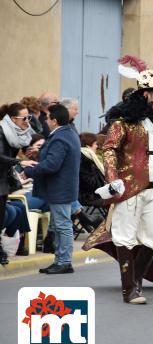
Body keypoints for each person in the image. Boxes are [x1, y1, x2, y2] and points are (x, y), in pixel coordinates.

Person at [83, 60, 153, 304]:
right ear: (146, 94)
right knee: (125, 236)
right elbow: (110, 151)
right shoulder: (122, 123)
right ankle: (130, 289)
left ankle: (135, 280)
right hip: (129, 186)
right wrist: (113, 180)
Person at [23, 104, 80, 274]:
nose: (46, 120)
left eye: (48, 118)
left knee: (63, 225)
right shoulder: (68, 133)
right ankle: (61, 260)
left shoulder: (60, 138)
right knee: (61, 225)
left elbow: (52, 165)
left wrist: (29, 171)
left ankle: (64, 261)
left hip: (59, 189)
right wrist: (38, 155)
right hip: (64, 187)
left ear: (54, 121)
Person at [0, 103, 37, 264]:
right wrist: (19, 161)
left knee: (2, 214)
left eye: (29, 116)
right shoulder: (2, 131)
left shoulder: (16, 132)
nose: (27, 121)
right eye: (24, 117)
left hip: (4, 178)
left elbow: (36, 132)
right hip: (1, 177)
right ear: (13, 119)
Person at [78, 132, 107, 208]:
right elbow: (89, 183)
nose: (97, 146)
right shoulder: (85, 160)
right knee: (116, 199)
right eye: (95, 144)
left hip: (90, 194)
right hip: (87, 196)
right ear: (88, 145)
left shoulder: (87, 157)